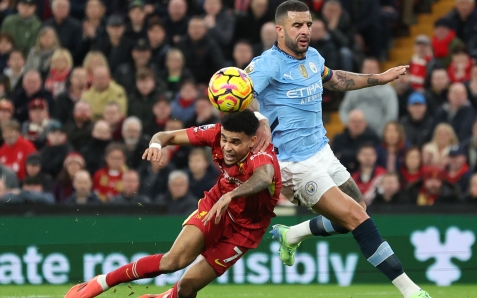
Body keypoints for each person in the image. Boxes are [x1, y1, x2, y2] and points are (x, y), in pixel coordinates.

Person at [245, 1, 429, 297]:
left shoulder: (314, 57)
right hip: (294, 164)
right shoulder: (266, 64)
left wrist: (378, 79)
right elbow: (244, 96)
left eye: (308, 24)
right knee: (357, 218)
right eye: (297, 26)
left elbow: (334, 80)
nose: (305, 31)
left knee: (358, 209)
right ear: (279, 30)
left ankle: (292, 234)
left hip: (321, 150)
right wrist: (261, 120)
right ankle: (410, 290)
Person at [64, 110, 282, 298]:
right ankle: (101, 282)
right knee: (172, 261)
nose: (227, 147)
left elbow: (263, 177)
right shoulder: (215, 133)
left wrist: (231, 196)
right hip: (215, 206)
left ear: (252, 141)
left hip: (246, 229)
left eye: (236, 142)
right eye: (225, 139)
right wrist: (156, 145)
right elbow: (164, 135)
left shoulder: (262, 154)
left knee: (187, 287)